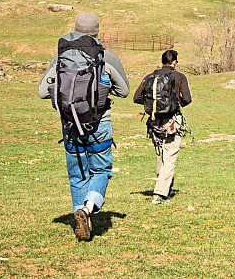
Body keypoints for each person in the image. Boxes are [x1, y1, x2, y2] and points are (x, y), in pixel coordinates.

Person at [37, 12, 129, 240]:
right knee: (101, 171)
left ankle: (80, 215)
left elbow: (41, 92)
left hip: (69, 126)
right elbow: (124, 91)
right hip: (99, 124)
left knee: (77, 176)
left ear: (75, 29)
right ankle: (87, 210)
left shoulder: (60, 58)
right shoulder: (106, 56)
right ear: (97, 31)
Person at [133, 49, 192, 204]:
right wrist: (175, 104)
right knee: (170, 157)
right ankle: (160, 194)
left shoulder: (150, 77)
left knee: (160, 155)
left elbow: (136, 97)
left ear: (162, 61)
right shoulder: (179, 76)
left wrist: (152, 105)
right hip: (173, 121)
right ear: (175, 62)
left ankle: (165, 187)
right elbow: (187, 98)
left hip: (154, 122)